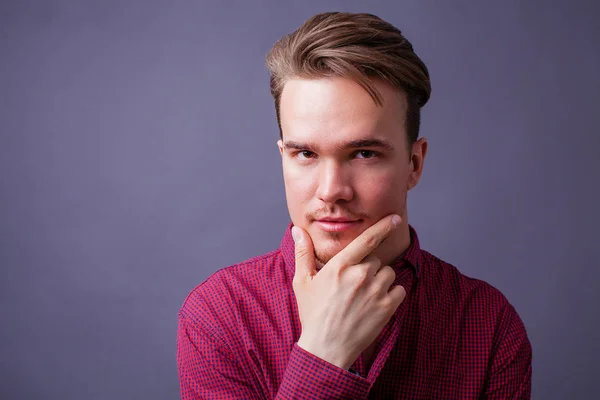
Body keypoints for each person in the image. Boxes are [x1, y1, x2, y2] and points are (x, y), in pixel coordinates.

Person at [176, 11, 532, 399]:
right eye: (306, 153)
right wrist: (323, 355)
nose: (332, 191)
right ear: (283, 157)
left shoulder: (488, 324)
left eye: (364, 153)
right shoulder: (218, 316)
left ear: (414, 164)